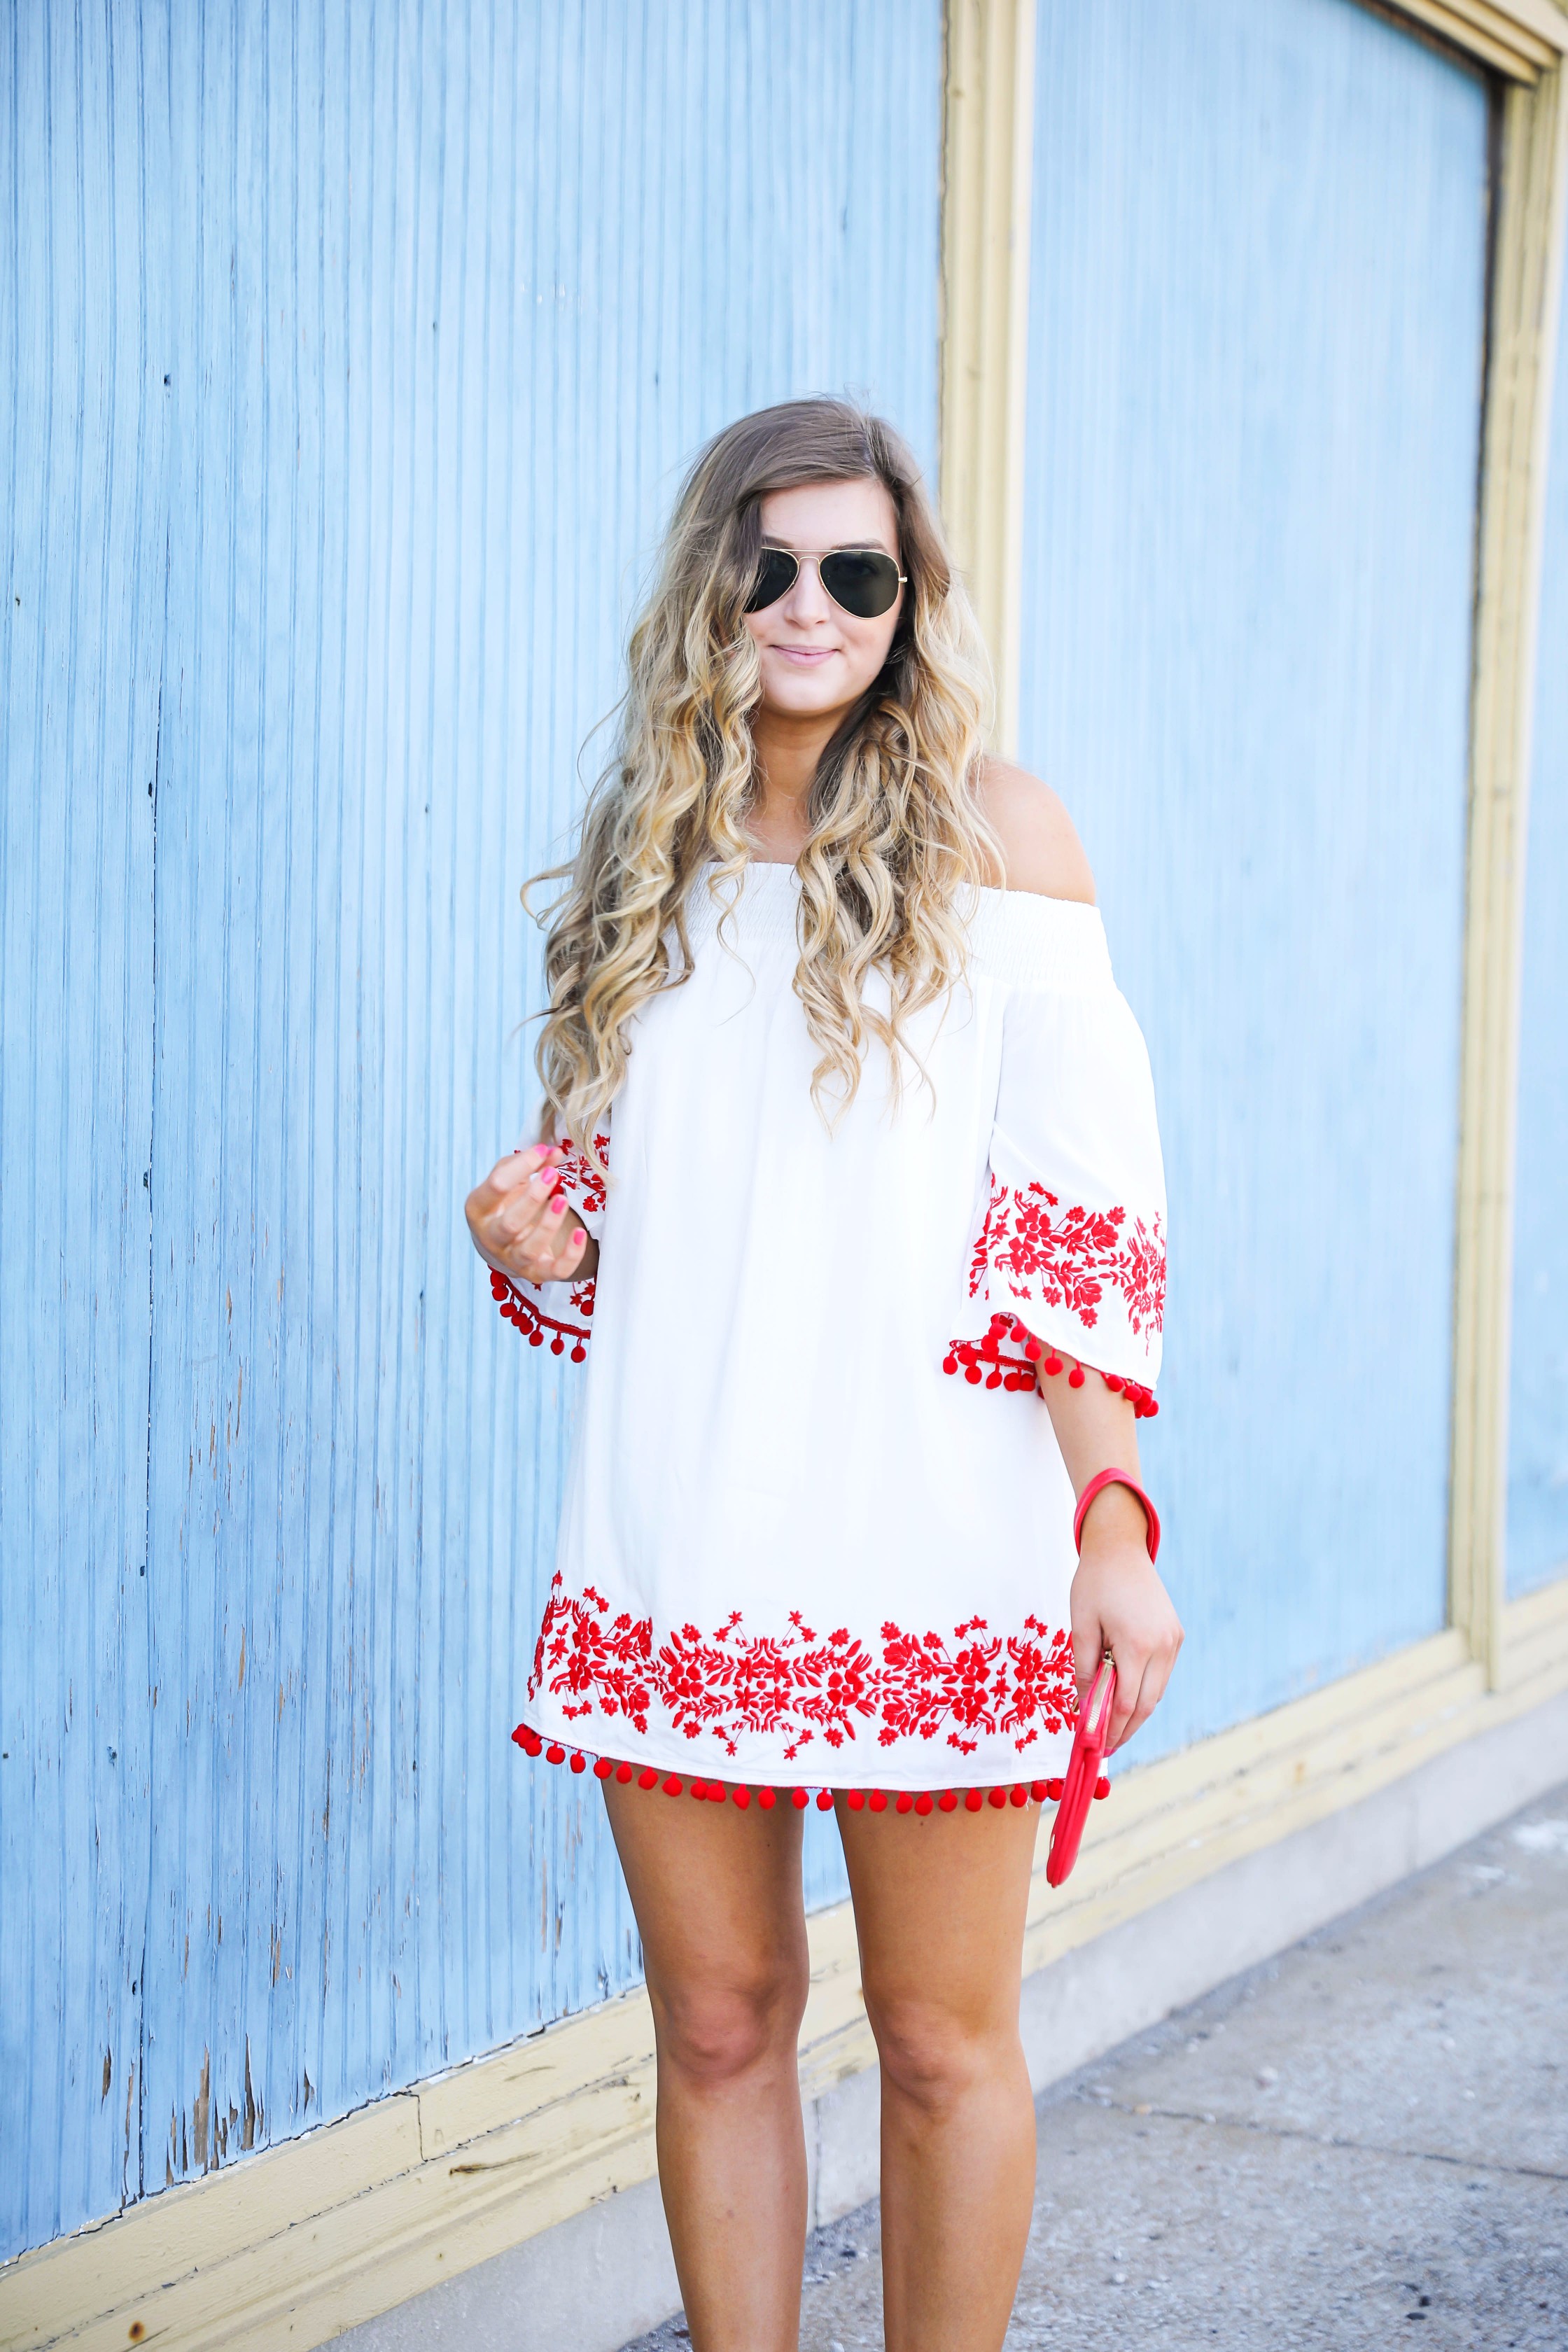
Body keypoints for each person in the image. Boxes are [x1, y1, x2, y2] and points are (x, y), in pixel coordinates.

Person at [465, 398, 1183, 2352]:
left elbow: (1073, 1222)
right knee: (716, 2024)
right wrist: (545, 1230)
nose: (810, 605)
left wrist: (1111, 1524)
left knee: (944, 2045)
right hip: (686, 1520)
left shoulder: (1000, 835)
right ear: (716, 583)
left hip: (935, 1524)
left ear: (905, 598)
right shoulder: (648, 845)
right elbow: (651, 1212)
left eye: (855, 571)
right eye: (769, 564)